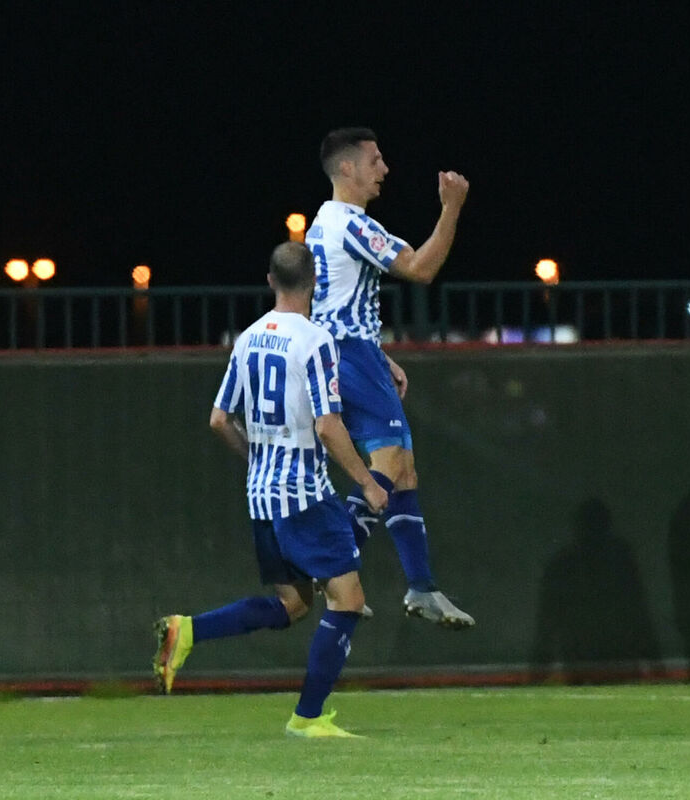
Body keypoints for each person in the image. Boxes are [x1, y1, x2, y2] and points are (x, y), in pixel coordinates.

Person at [152, 241, 389, 738]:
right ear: (315, 282)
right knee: (347, 601)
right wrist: (367, 482)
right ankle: (308, 717)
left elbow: (219, 419)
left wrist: (255, 460)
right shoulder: (315, 341)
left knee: (293, 606)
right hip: (304, 494)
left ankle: (187, 630)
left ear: (270, 281)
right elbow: (328, 426)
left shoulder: (249, 338)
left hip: (261, 497)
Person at [305, 126, 474, 628]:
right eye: (375, 160)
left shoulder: (322, 223)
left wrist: (381, 357)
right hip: (350, 356)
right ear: (348, 168)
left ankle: (421, 586)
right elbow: (420, 268)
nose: (384, 169)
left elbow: (331, 302)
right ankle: (328, 562)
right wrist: (452, 208)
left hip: (348, 353)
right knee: (390, 462)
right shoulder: (354, 225)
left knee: (403, 470)